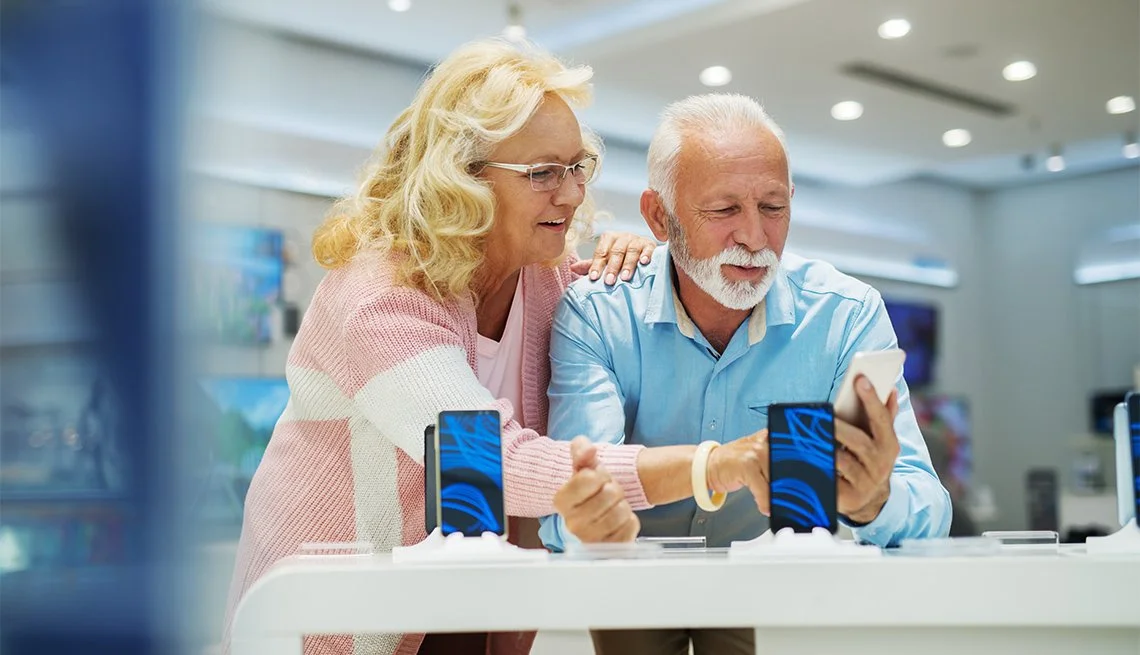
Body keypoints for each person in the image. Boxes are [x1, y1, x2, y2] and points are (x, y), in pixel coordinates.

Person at [219, 39, 655, 655]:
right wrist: (712, 466)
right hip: (336, 617)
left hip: (460, 607)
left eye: (577, 166)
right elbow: (499, 460)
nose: (573, 192)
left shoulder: (546, 276)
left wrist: (634, 257)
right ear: (463, 176)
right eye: (543, 173)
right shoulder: (379, 291)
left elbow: (640, 298)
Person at [540, 93, 953, 655]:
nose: (755, 237)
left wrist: (874, 500)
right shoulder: (596, 311)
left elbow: (929, 505)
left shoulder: (845, 314)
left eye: (773, 207)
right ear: (660, 216)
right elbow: (569, 502)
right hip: (631, 581)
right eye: (725, 210)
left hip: (778, 592)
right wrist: (585, 519)